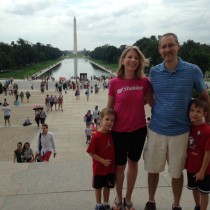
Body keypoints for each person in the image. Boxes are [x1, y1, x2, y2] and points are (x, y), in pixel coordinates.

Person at [143, 33, 210, 210]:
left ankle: (176, 204)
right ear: (159, 50)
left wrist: (207, 124)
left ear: (178, 46)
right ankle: (151, 200)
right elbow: (149, 93)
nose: (167, 50)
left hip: (181, 132)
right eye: (163, 47)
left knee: (176, 172)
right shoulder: (155, 71)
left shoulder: (193, 70)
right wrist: (156, 108)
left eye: (170, 45)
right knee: (152, 169)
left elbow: (205, 97)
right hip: (157, 129)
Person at [107, 46, 153, 210]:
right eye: (130, 57)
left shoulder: (144, 81)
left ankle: (128, 198)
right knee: (120, 166)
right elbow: (109, 109)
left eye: (136, 58)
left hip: (138, 130)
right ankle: (119, 198)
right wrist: (103, 130)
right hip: (118, 131)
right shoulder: (114, 82)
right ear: (123, 60)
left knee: (133, 164)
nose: (133, 60)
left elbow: (152, 102)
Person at [86, 107, 116, 210]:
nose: (109, 122)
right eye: (107, 119)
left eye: (112, 120)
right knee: (98, 187)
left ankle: (105, 203)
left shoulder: (113, 135)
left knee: (107, 187)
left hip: (110, 168)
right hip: (99, 169)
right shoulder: (96, 136)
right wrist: (102, 161)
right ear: (101, 120)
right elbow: (91, 152)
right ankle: (98, 204)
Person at [185, 99, 210, 210]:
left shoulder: (207, 130)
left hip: (205, 170)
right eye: (192, 110)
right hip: (191, 167)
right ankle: (197, 206)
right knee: (194, 189)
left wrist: (202, 171)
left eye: (199, 111)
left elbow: (208, 153)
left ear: (205, 114)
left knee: (204, 192)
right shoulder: (187, 128)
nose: (194, 113)